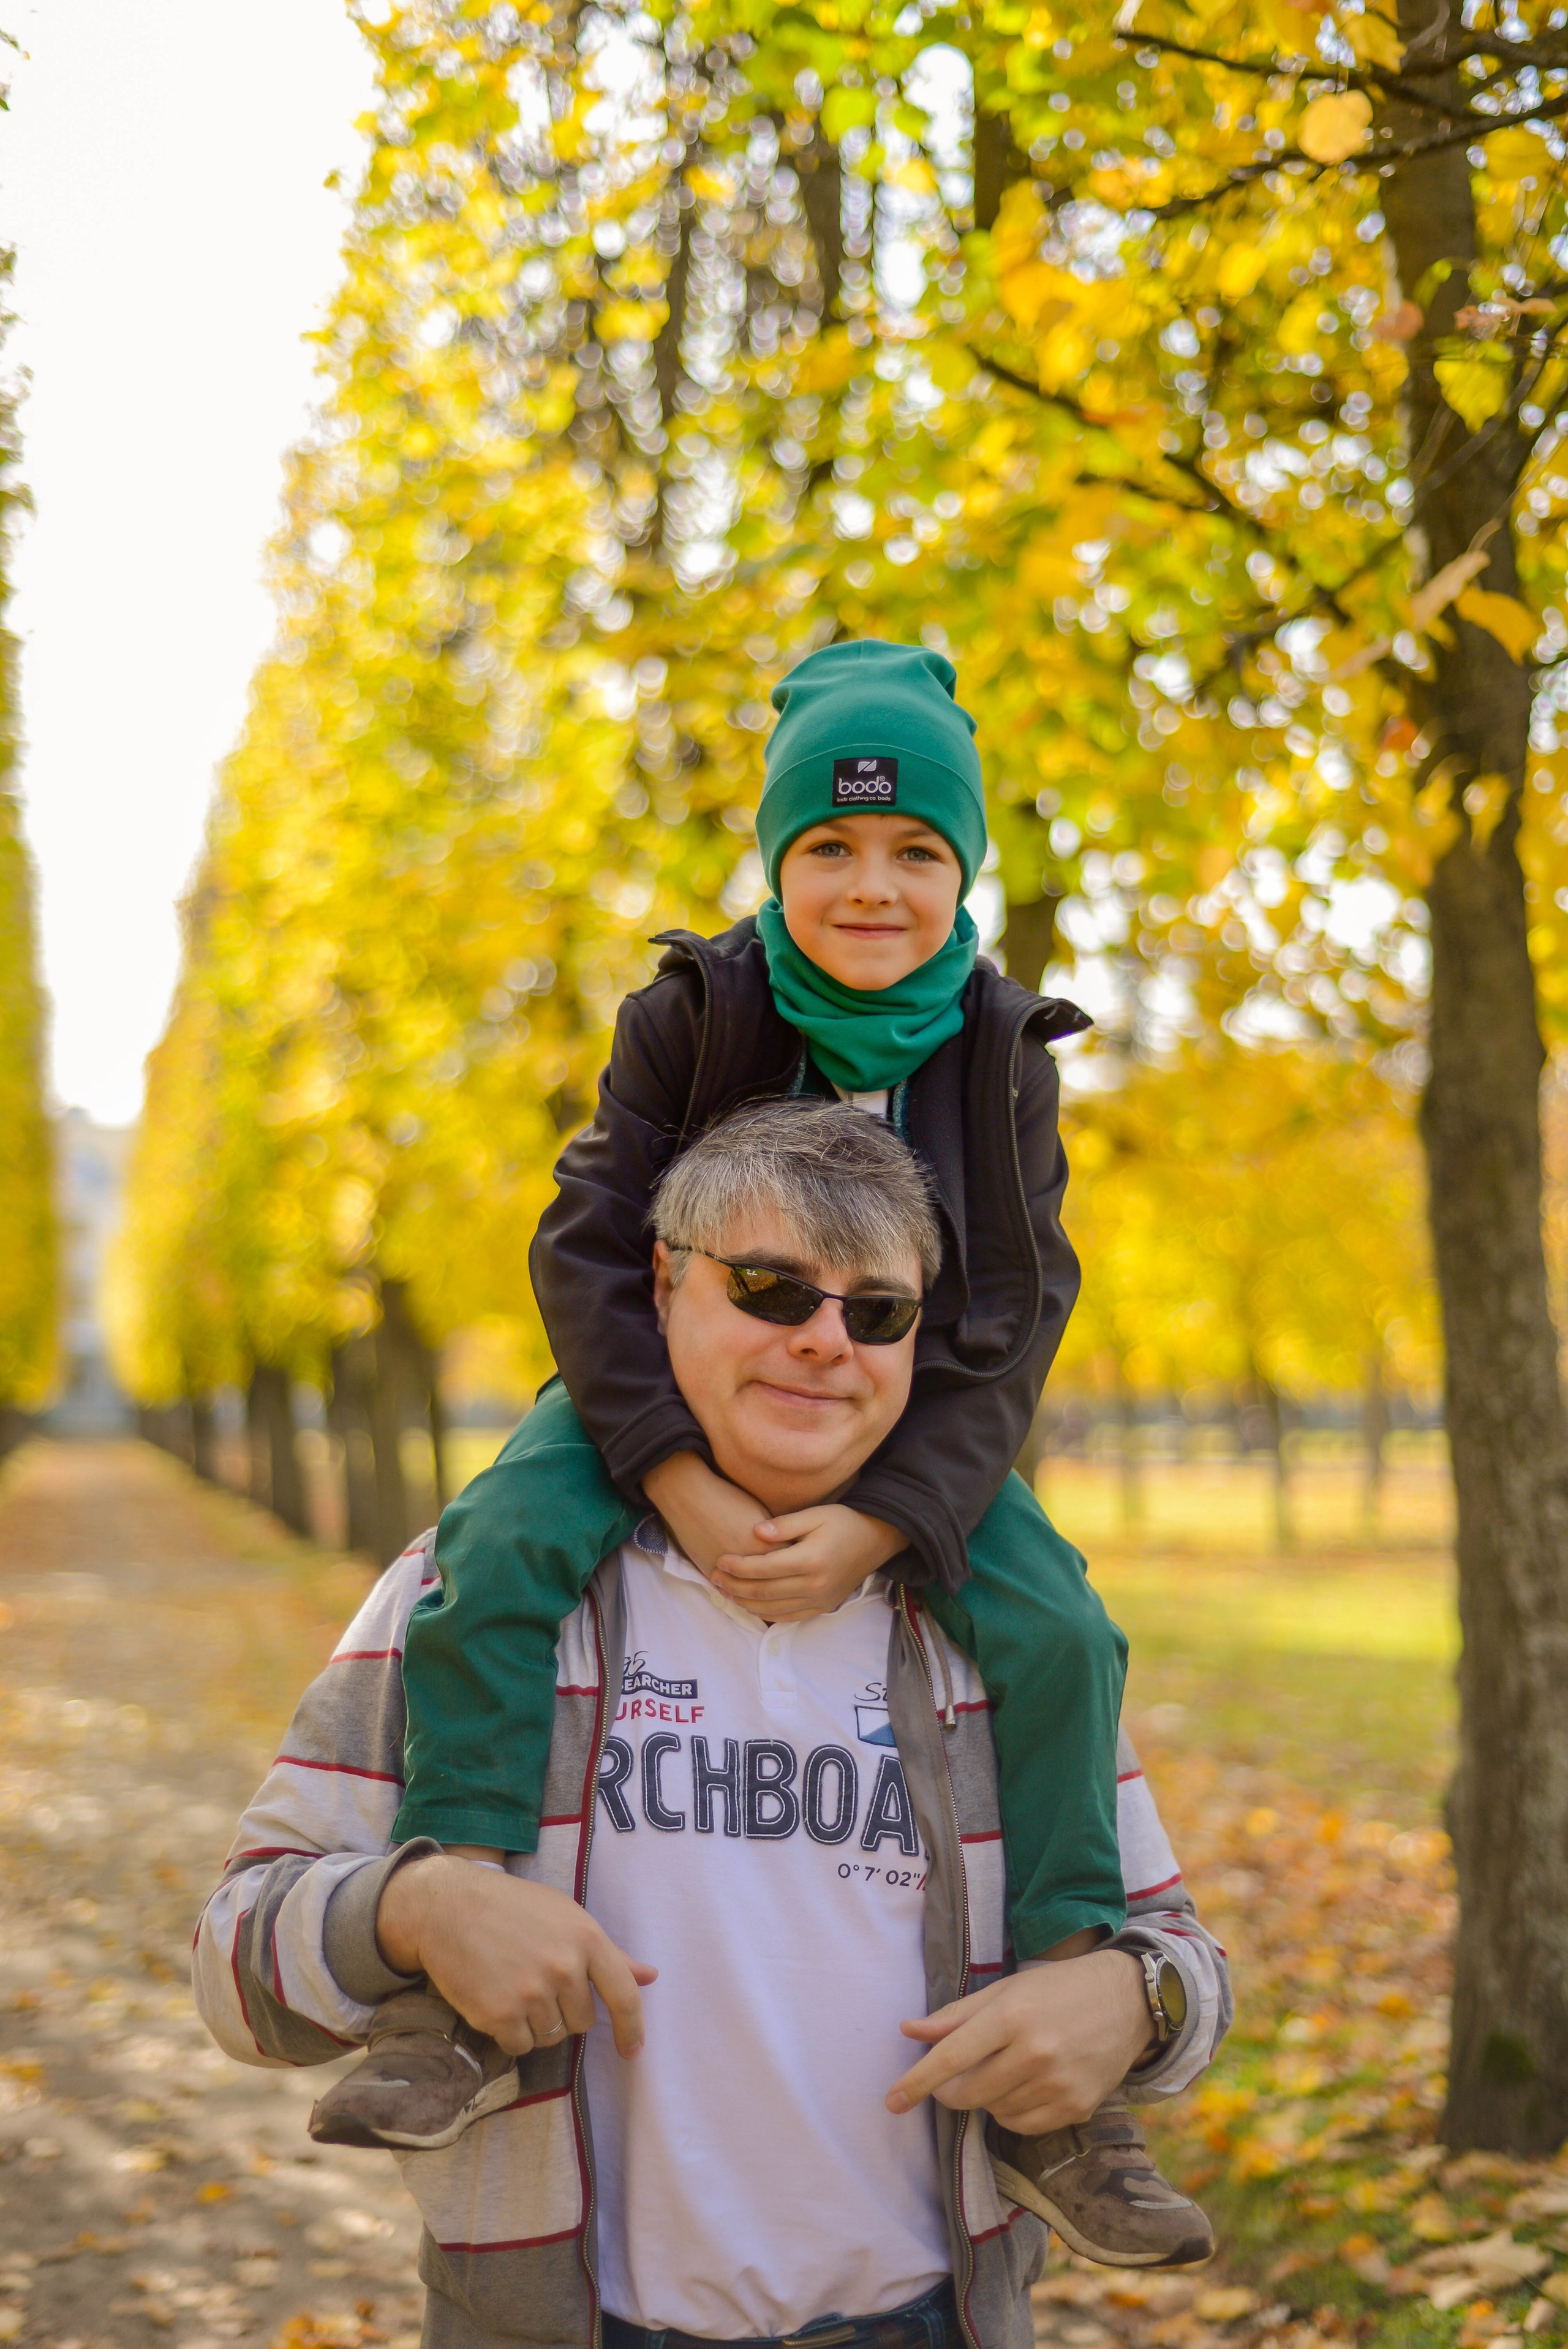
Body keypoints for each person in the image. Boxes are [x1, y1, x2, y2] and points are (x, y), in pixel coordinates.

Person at [327, 639, 1208, 2257]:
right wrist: (663, 1462)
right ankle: (458, 1963)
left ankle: (1071, 2074)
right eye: (829, 848)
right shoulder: (695, 1008)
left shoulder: (1003, 1052)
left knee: (1063, 1626)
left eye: (915, 853)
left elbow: (1011, 1311)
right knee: (499, 1556)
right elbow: (591, 1245)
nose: (871, 885)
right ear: (777, 859)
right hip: (649, 1402)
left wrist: (888, 1517)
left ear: (964, 872)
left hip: (907, 1428)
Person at [193, 1104, 1232, 2349]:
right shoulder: (467, 1591)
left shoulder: (996, 1632)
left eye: (876, 1311)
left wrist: (1130, 2000)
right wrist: (412, 1912)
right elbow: (233, 1969)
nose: (823, 1344)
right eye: (768, 1290)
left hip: (926, 2322)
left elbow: (1178, 1952)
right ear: (663, 1284)